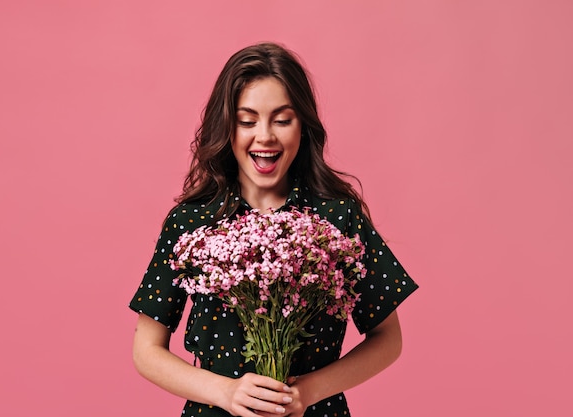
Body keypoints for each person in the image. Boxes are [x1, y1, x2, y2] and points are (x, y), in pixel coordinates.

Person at [129, 42, 418, 417]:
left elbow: (388, 340)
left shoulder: (338, 219)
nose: (264, 136)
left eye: (282, 119)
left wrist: (307, 392)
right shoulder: (191, 223)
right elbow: (146, 349)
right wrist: (226, 392)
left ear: (304, 126)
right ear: (227, 127)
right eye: (247, 121)